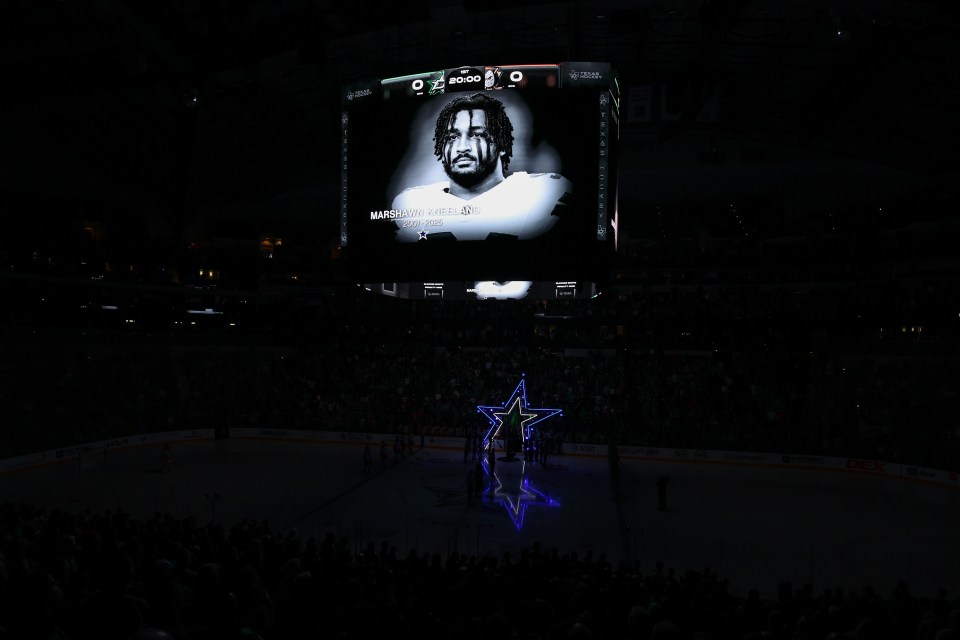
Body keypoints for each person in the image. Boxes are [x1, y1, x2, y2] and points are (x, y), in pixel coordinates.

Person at [391, 92, 571, 242]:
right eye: (452, 137)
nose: (462, 147)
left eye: (476, 135)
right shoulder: (411, 202)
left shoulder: (543, 193)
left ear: (501, 144)